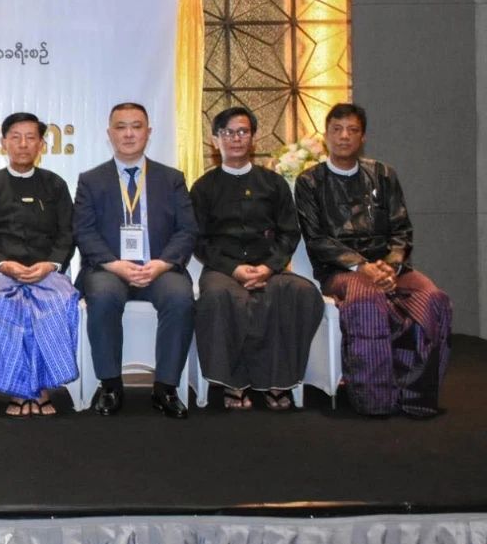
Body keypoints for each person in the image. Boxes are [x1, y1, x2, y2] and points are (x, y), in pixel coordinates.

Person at [294, 103, 452, 417]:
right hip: (340, 270)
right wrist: (361, 266)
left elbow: (401, 228)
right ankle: (375, 399)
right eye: (337, 130)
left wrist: (390, 266)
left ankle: (416, 395)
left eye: (352, 130)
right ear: (326, 136)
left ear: (363, 137)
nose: (344, 136)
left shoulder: (383, 174)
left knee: (434, 299)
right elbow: (317, 239)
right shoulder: (309, 182)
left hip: (389, 267)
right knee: (366, 301)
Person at [190, 107, 323, 411]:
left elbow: (289, 233)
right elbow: (198, 240)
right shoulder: (203, 187)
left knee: (300, 293)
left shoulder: (273, 183)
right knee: (219, 297)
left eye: (243, 132)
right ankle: (233, 382)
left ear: (253, 138)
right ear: (215, 141)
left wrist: (268, 267)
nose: (236, 138)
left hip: (269, 266)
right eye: (228, 132)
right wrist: (234, 269)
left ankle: (279, 379)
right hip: (223, 269)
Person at [73, 102, 198, 418]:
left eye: (136, 126)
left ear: (148, 132)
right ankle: (111, 385)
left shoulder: (171, 179)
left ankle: (165, 388)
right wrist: (114, 264)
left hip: (159, 268)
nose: (128, 134)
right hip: (109, 268)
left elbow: (187, 229)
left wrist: (163, 263)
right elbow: (84, 231)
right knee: (102, 296)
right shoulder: (91, 180)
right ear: (109, 134)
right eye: (121, 127)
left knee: (180, 297)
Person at [0, 112, 78, 417]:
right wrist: (2, 265)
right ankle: (19, 390)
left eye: (30, 138)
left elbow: (67, 232)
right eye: (15, 137)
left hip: (47, 271)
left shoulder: (55, 185)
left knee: (63, 299)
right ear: (3, 143)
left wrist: (51, 265)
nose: (23, 144)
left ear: (41, 144)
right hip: (3, 273)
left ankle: (43, 388)